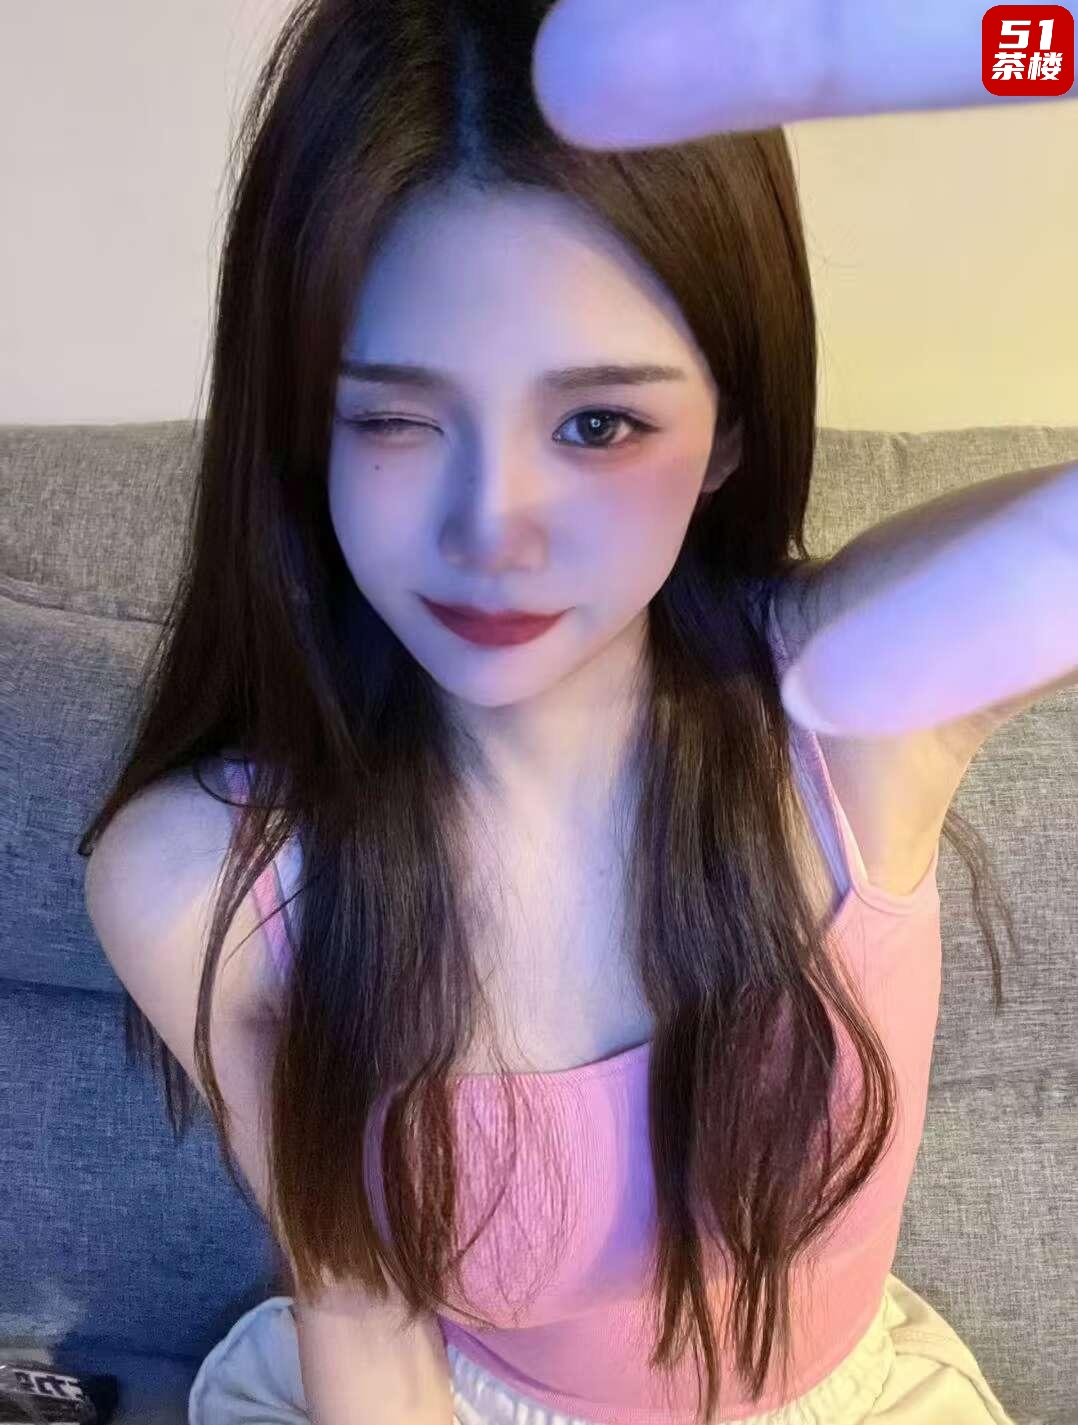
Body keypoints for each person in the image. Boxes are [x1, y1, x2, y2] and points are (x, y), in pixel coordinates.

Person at [81, 0, 1067, 1421]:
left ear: (726, 428)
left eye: (598, 423)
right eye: (395, 417)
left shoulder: (854, 704)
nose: (493, 532)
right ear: (301, 423)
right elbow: (363, 1318)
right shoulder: (203, 880)